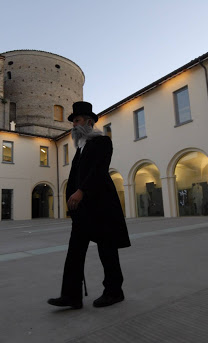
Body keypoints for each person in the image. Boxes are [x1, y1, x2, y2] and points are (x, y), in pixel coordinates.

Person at [48, 101, 131, 310]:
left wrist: (81, 191)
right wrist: (72, 201)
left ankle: (114, 291)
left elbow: (99, 170)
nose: (73, 125)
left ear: (89, 121)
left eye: (76, 121)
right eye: (73, 122)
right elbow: (74, 177)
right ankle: (71, 295)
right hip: (83, 210)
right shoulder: (80, 149)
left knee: (107, 249)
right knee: (75, 251)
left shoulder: (102, 142)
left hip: (101, 206)